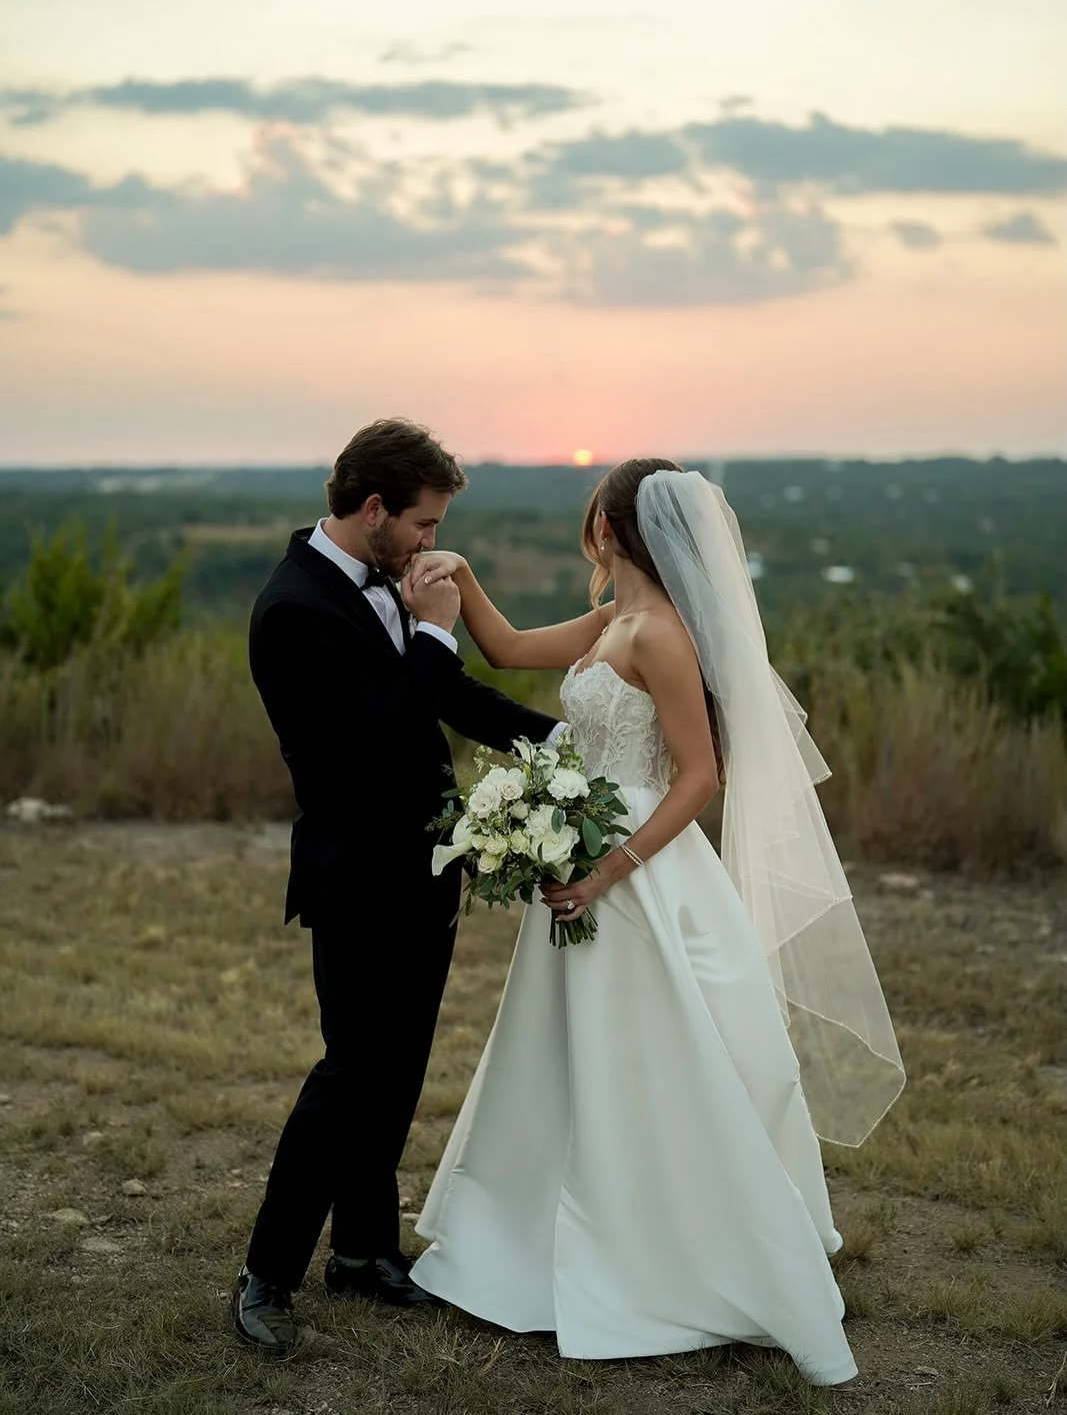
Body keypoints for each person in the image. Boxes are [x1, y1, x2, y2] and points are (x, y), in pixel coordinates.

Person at [405, 458, 905, 1385]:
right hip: (580, 850)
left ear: (614, 524)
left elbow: (699, 777)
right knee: (570, 1049)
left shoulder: (663, 636)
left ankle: (671, 1249)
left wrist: (606, 871)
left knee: (656, 1051)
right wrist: (462, 579)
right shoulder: (609, 621)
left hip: (634, 867)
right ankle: (537, 1236)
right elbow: (510, 650)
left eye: (593, 508)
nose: (584, 521)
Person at [232, 418, 565, 1354]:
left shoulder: (388, 585)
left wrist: (565, 747)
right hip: (355, 879)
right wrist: (430, 630)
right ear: (373, 509)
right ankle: (266, 1273)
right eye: (422, 525)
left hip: (427, 867)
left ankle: (363, 1252)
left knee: (398, 1070)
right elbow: (381, 726)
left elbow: (452, 699)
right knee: (348, 1076)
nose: (432, 544)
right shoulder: (292, 607)